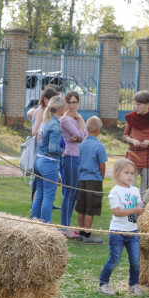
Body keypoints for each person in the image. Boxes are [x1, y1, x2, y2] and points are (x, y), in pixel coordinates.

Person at [97, 158, 144, 296]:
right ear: (117, 173)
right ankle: (103, 283)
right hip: (117, 232)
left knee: (135, 261)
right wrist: (134, 210)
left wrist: (144, 204)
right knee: (114, 259)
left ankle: (134, 285)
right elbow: (116, 211)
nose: (130, 176)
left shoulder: (135, 190)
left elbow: (140, 207)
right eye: (126, 172)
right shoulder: (115, 192)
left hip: (133, 232)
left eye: (132, 173)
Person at [30, 95, 65, 223]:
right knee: (49, 196)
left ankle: (34, 222)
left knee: (39, 193)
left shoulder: (46, 121)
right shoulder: (55, 125)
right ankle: (46, 226)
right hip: (49, 162)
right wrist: (63, 151)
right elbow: (53, 148)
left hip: (38, 161)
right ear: (60, 108)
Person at [123, 90, 149, 199]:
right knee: (130, 186)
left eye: (139, 105)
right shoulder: (131, 117)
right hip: (133, 156)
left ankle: (144, 213)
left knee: (146, 189)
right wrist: (133, 141)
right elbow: (125, 135)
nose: (136, 107)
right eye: (136, 104)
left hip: (147, 156)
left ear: (147, 105)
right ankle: (130, 212)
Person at [75, 116, 108, 244]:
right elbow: (102, 165)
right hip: (94, 179)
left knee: (81, 206)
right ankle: (88, 234)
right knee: (91, 207)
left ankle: (81, 232)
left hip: (82, 178)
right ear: (98, 130)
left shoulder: (82, 144)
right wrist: (102, 177)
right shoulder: (99, 146)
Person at [60, 91, 87, 239]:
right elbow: (82, 135)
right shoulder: (65, 120)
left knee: (74, 194)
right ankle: (64, 227)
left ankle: (68, 226)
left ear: (78, 103)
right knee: (69, 193)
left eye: (74, 102)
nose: (71, 105)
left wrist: (79, 135)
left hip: (79, 158)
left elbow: (85, 136)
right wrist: (81, 123)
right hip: (70, 157)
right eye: (69, 102)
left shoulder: (77, 118)